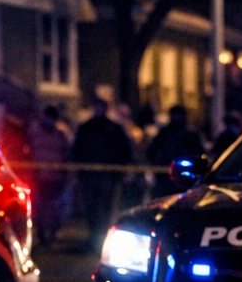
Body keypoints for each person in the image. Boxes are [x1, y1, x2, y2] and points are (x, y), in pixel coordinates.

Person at [70, 95, 132, 250]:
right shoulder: (86, 127)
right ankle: (93, 237)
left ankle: (102, 238)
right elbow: (77, 150)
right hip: (89, 175)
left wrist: (122, 169)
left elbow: (124, 150)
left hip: (108, 176)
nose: (99, 109)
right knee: (91, 207)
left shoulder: (114, 128)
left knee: (106, 208)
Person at [25, 105, 72, 248]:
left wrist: (65, 174)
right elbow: (28, 151)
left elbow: (67, 154)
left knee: (54, 209)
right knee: (39, 208)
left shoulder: (61, 133)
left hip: (55, 178)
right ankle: (41, 235)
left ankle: (51, 235)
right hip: (38, 177)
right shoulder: (34, 132)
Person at [146, 104, 205, 195]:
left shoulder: (191, 135)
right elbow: (152, 151)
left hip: (184, 177)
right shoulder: (164, 134)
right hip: (166, 177)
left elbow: (199, 154)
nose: (177, 118)